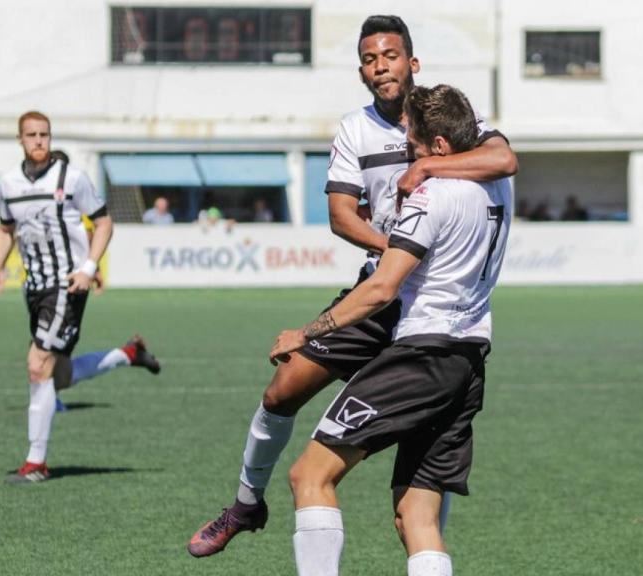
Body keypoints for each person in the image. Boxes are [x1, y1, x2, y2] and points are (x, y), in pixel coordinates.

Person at [187, 15, 518, 557]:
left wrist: (431, 170)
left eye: (389, 55)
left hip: (417, 305)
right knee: (282, 388)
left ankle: (417, 531)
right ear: (361, 71)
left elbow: (504, 158)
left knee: (383, 488)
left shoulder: (450, 120)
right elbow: (342, 216)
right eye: (369, 59)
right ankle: (247, 503)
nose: (380, 65)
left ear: (412, 63)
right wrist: (395, 253)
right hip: (386, 295)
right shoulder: (356, 129)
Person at [276, 83, 513, 576]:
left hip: (421, 355)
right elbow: (502, 160)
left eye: (414, 140)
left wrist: (307, 333)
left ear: (441, 147)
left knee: (310, 476)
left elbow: (381, 289)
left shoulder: (434, 195)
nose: (407, 147)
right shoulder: (498, 186)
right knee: (416, 517)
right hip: (468, 361)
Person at [0, 111, 163, 484]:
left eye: (44, 135)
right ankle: (127, 355)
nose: (39, 141)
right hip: (33, 287)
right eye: (31, 135)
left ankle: (36, 463)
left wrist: (89, 267)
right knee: (58, 375)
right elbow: (5, 230)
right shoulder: (9, 184)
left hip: (66, 286)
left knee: (37, 364)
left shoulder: (72, 178)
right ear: (20, 139)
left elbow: (104, 223)